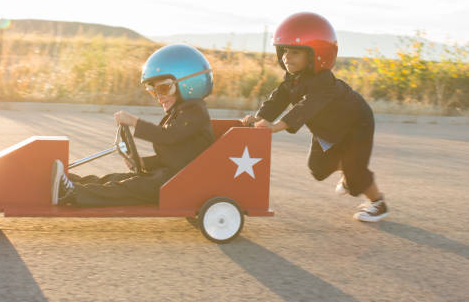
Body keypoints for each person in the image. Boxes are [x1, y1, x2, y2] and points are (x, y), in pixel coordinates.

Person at [242, 12, 388, 222]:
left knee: (356, 171)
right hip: (327, 129)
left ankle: (378, 203)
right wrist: (259, 118)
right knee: (318, 169)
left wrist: (275, 127)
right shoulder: (293, 79)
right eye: (284, 50)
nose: (286, 56)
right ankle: (348, 169)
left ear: (315, 55)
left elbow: (305, 108)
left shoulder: (324, 82)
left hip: (356, 124)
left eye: (294, 52)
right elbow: (277, 99)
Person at [51, 44, 215, 207]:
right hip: (172, 176)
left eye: (163, 89)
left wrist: (134, 122)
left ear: (187, 83)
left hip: (181, 182)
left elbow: (169, 137)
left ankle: (73, 193)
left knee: (128, 187)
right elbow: (179, 156)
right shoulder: (181, 113)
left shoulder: (195, 112)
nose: (159, 97)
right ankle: (70, 181)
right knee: (116, 179)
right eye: (154, 91)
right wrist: (143, 163)